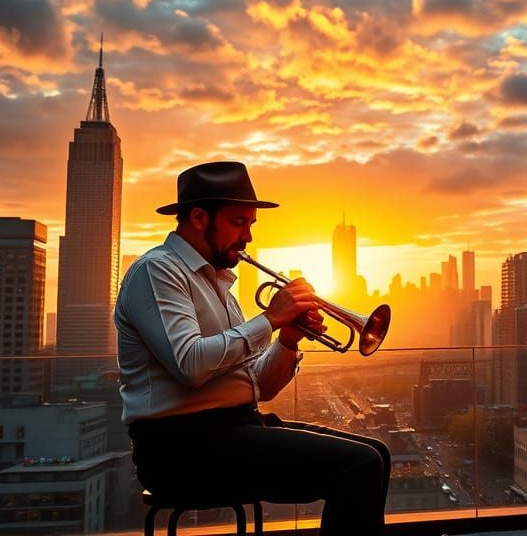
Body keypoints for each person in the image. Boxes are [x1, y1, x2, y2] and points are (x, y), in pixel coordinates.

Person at [116, 161, 390, 536]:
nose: (247, 237)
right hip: (178, 449)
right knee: (361, 466)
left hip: (235, 430)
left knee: (379, 455)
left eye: (250, 224)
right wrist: (271, 319)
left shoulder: (220, 284)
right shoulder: (158, 271)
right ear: (199, 218)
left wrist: (287, 340)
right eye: (238, 222)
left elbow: (261, 388)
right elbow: (191, 366)